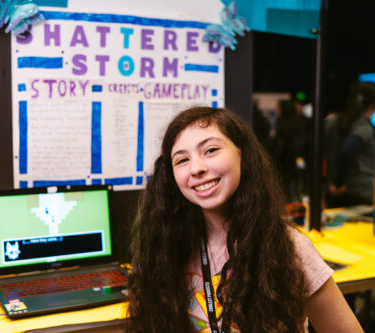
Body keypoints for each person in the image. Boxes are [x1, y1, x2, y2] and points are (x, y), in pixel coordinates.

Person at [126, 107, 362, 332]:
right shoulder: (168, 248)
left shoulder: (288, 248)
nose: (196, 168)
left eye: (210, 150)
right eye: (182, 160)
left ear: (242, 154)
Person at [324, 81, 375, 208]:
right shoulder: (363, 126)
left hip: (332, 193)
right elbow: (348, 150)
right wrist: (339, 183)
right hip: (359, 193)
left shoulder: (331, 122)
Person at [274, 99, 310, 202]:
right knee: (300, 182)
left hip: (286, 159)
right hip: (301, 157)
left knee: (287, 184)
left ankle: (292, 205)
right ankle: (300, 203)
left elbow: (278, 141)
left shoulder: (282, 122)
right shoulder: (302, 121)